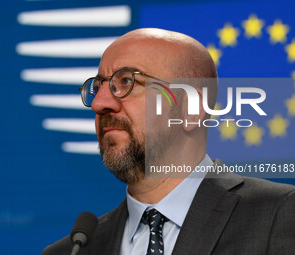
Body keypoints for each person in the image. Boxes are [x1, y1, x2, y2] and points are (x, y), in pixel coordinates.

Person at [42, 28, 295, 255]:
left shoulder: (279, 214)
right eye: (98, 86)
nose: (99, 103)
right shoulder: (71, 252)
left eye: (127, 81)